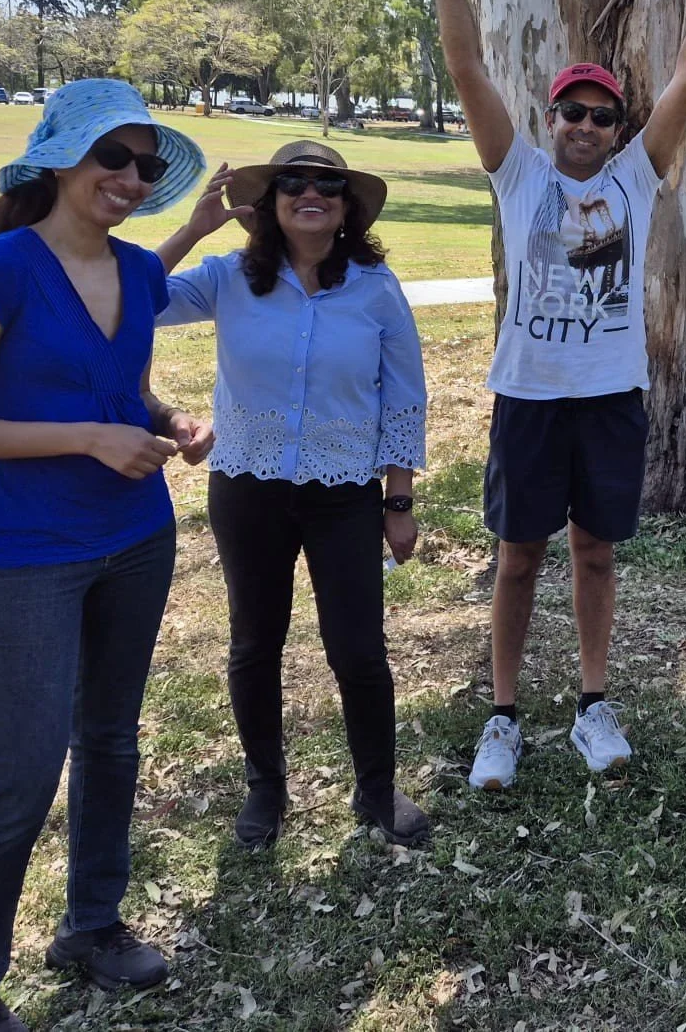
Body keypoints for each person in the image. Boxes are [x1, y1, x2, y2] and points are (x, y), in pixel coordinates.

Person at [424, 0, 686, 791]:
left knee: (596, 553)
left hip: (610, 396)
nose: (583, 124)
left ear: (618, 128)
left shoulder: (636, 179)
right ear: (549, 118)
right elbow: (466, 64)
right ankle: (502, 716)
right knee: (517, 558)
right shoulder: (519, 172)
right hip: (529, 394)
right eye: (570, 110)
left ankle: (592, 704)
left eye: (601, 115)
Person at [0, 80, 210, 1032]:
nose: (130, 177)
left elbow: (125, 389)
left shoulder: (136, 271)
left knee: (111, 740)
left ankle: (92, 926)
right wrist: (86, 438)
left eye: (144, 165)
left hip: (136, 540)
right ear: (60, 158)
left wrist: (171, 419)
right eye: (112, 156)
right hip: (28, 554)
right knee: (23, 775)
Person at [154, 140, 431, 848]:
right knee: (255, 642)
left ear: (347, 207)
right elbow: (132, 303)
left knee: (358, 649)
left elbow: (404, 397)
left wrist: (398, 501)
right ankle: (266, 789)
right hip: (248, 487)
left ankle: (376, 788)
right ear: (269, 203)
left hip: (345, 492)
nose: (311, 194)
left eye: (328, 185)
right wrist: (192, 231)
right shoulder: (228, 277)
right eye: (293, 183)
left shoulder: (375, 287)